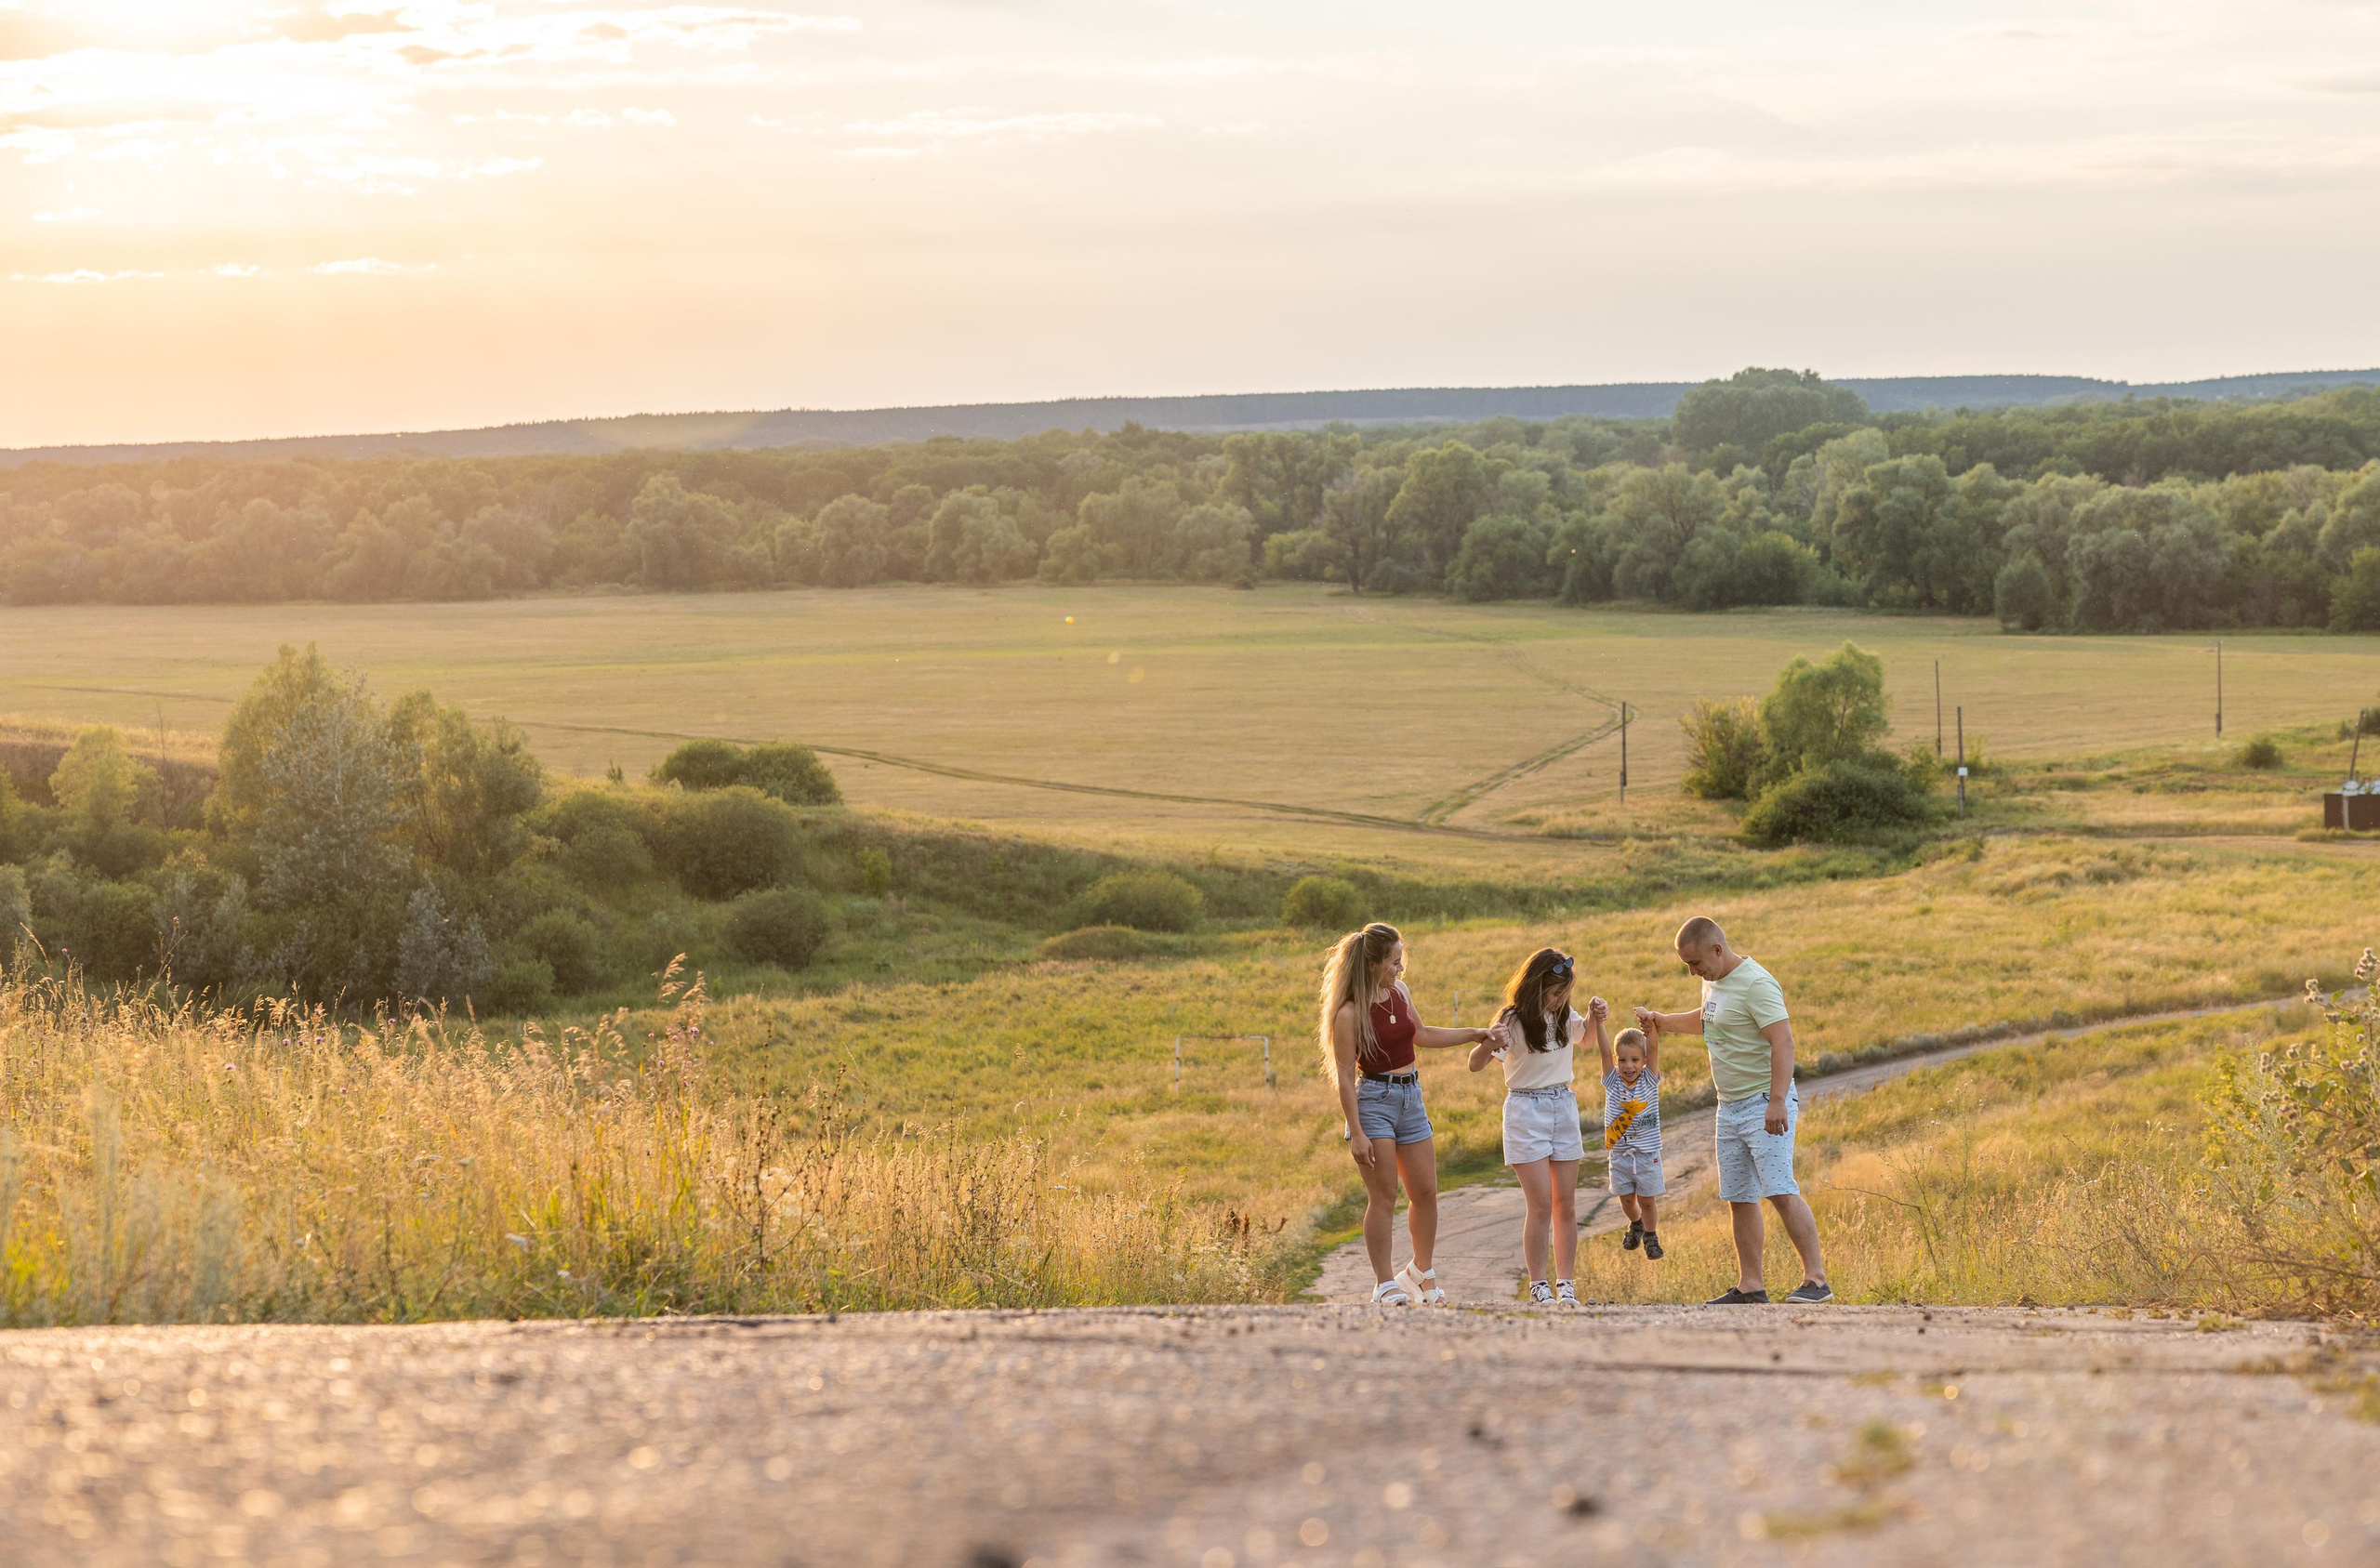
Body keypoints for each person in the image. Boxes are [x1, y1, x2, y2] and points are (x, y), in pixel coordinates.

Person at [1634, 916, 1831, 1305]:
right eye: (1686, 966)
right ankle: (1751, 1286)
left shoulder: (1757, 984)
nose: (1693, 973)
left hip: (1763, 1103)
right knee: (1740, 1197)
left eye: (1695, 964)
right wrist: (1663, 1022)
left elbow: (1784, 1043)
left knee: (1779, 1189)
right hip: (1729, 1107)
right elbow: (1709, 1022)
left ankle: (1816, 1279)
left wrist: (1776, 1102)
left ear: (1717, 950)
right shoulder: (1715, 982)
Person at [1321, 922, 1494, 1306]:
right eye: (1394, 962)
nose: (1400, 969)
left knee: (1426, 1193)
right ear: (1373, 965)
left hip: (1411, 1098)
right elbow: (1346, 1078)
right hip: (1374, 1103)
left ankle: (1420, 1272)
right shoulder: (1348, 1014)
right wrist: (1357, 1131)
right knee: (1384, 1196)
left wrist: (1473, 1033)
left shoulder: (1400, 992)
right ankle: (1384, 1284)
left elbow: (1422, 1034)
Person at [1468, 947, 1601, 1308]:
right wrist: (1488, 1041)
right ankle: (1539, 1285)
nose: (1561, 1000)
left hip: (1563, 1105)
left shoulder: (1564, 1015)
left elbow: (1586, 1040)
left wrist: (1592, 1017)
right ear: (1535, 986)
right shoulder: (1511, 1019)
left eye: (1566, 993)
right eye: (1556, 993)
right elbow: (1475, 1064)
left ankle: (1567, 1284)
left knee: (1566, 1204)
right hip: (1526, 1110)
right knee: (1540, 1205)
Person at [1600, 1025, 1664, 1260]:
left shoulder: (1649, 1079)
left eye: (1635, 1059)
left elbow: (1654, 1047)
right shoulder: (1612, 1081)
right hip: (1620, 1154)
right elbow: (1604, 1051)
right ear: (1616, 1060)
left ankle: (1650, 1235)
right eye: (1623, 1060)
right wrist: (1599, 1022)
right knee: (1627, 1200)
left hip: (1647, 1154)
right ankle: (1635, 1224)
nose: (1629, 1066)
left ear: (1645, 1060)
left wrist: (1651, 1026)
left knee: (1647, 1201)